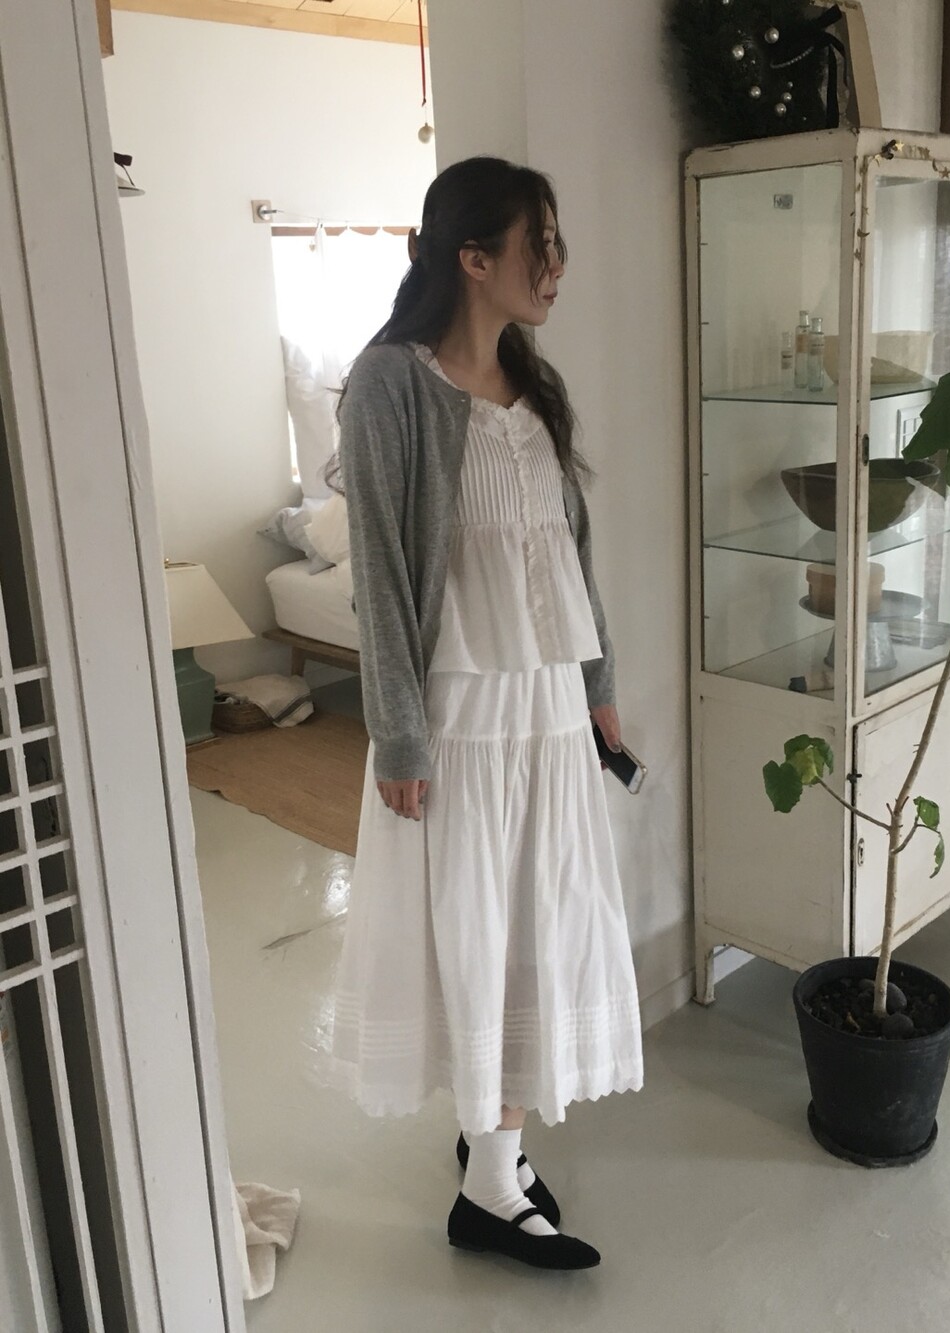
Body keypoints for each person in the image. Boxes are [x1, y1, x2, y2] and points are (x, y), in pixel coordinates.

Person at [329, 155, 643, 1271]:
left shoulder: (532, 384)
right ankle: (490, 1189)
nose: (555, 266)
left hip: (547, 708)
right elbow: (380, 570)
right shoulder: (388, 386)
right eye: (536, 245)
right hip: (459, 713)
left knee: (537, 922)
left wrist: (597, 689)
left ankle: (493, 1157)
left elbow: (566, 555)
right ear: (472, 258)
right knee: (480, 929)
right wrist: (398, 733)